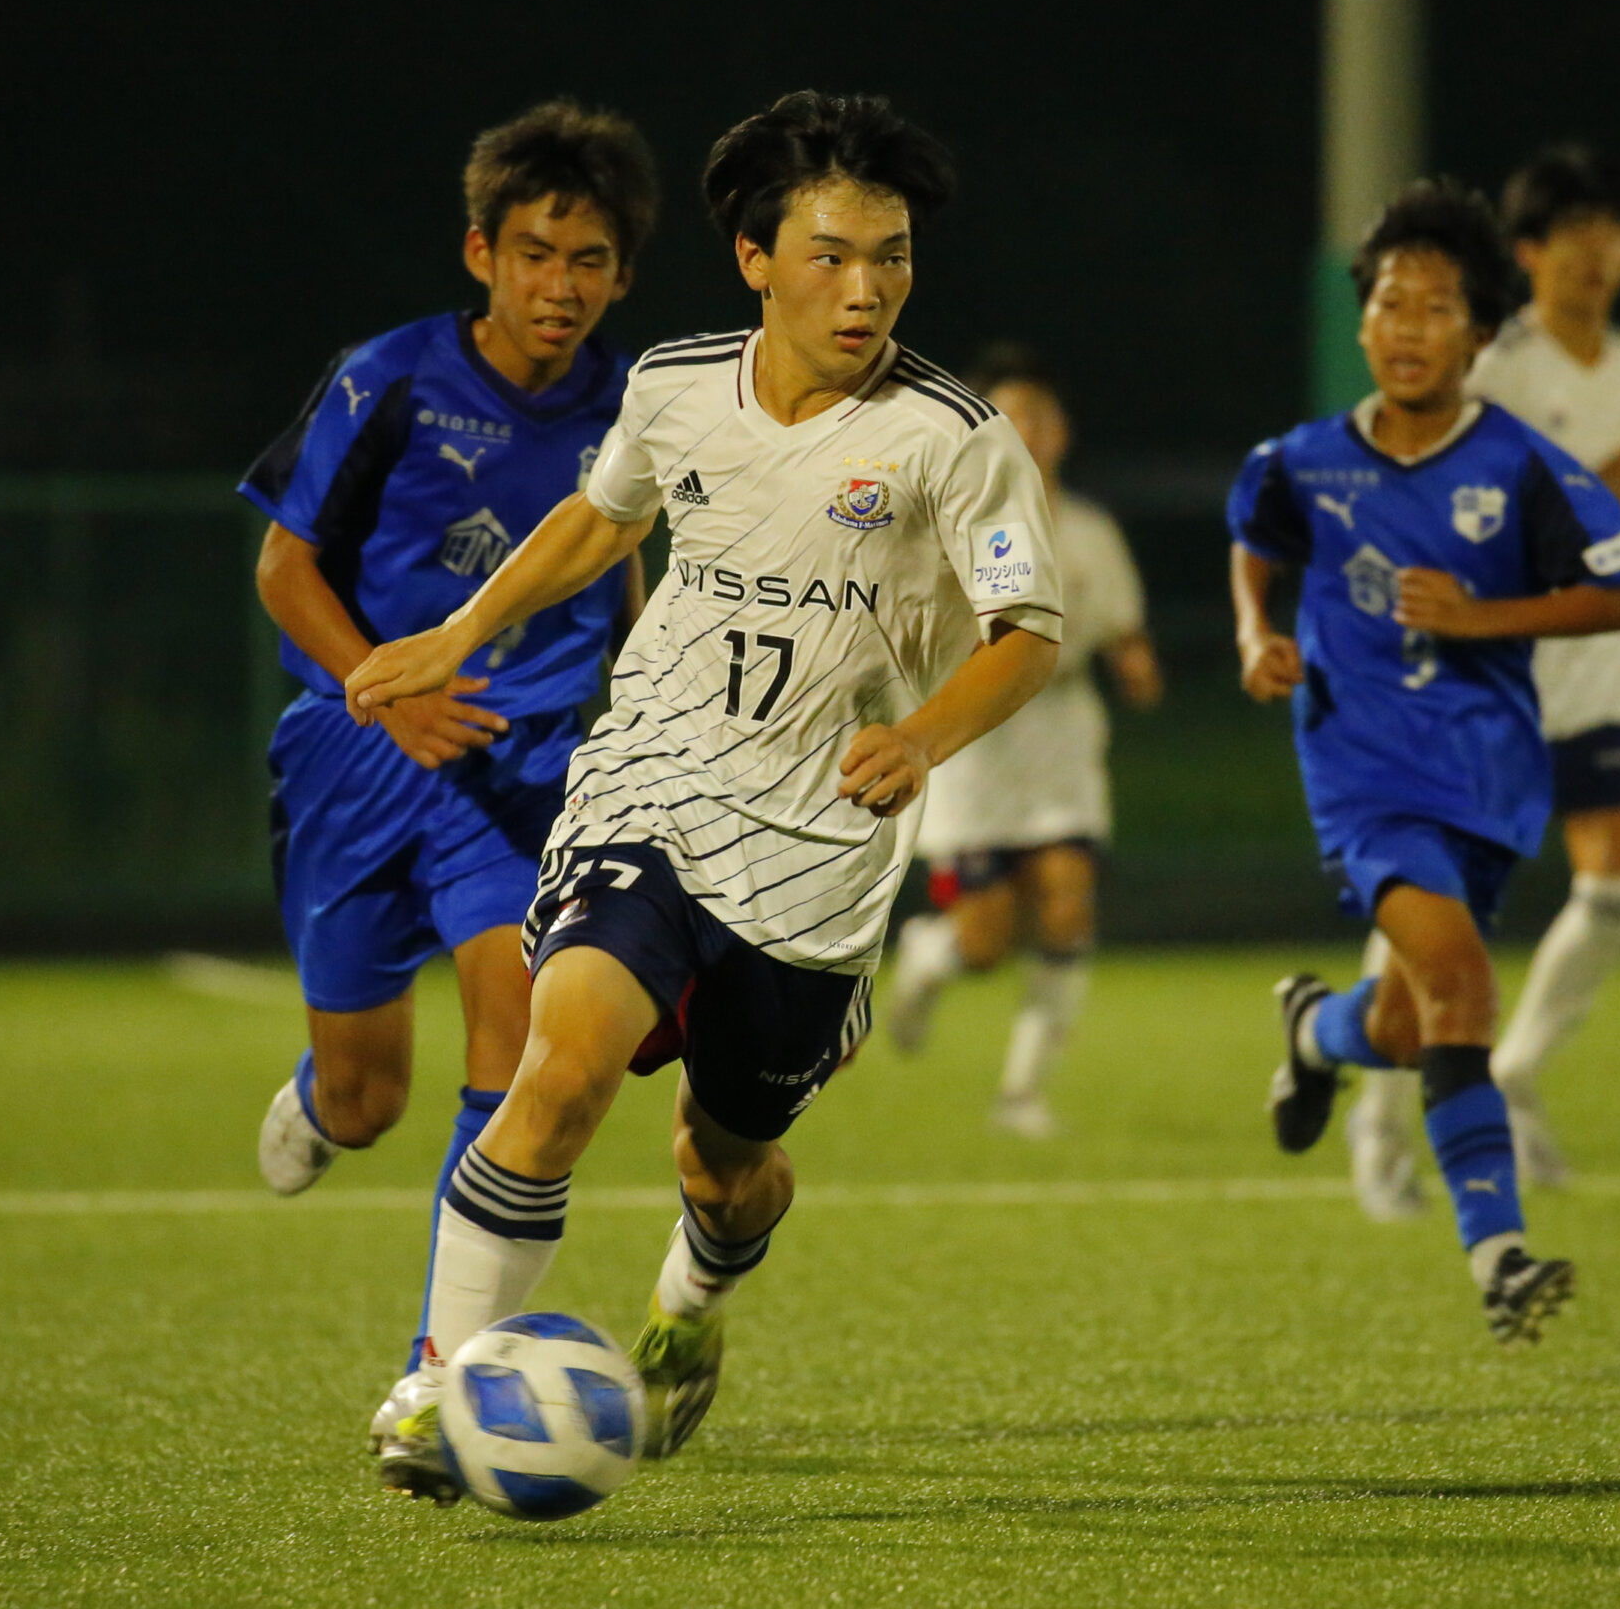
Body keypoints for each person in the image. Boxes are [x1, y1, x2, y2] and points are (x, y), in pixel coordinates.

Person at [345, 90, 1063, 1498]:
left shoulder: (955, 437)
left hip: (820, 858)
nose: (865, 290)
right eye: (832, 255)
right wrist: (459, 631)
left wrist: (919, 735)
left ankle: (690, 1295)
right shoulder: (674, 381)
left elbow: (1028, 632)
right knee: (560, 1072)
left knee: (729, 1162)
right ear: (754, 258)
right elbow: (605, 516)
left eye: (893, 257)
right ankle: (443, 1378)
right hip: (652, 785)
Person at [234, 101, 657, 1466]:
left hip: (527, 771)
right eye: (538, 252)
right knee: (369, 1101)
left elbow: (642, 591)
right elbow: (283, 570)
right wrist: (386, 683)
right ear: (484, 252)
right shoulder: (393, 378)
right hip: (357, 755)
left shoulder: (633, 411)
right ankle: (318, 1094)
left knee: (524, 1039)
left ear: (622, 277)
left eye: (591, 259)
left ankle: (440, 1374)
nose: (562, 285)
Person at [1225, 178, 1620, 1345]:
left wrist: (1480, 621)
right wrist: (1256, 637)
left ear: (1476, 334)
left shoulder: (1516, 462)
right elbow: (1253, 541)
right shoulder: (1303, 461)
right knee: (1462, 987)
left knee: (1412, 1025)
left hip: (1489, 777)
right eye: (1388, 305)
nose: (1406, 328)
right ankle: (1500, 1259)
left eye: (1434, 309)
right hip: (1363, 774)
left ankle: (1317, 1031)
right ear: (1360, 322)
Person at [1343, 145, 1620, 1216]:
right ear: (1531, 255)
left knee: (1617, 878)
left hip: (1588, 660)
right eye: (1577, 243)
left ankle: (1514, 1068)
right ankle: (1372, 1117)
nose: (1600, 262)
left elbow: (1615, 495)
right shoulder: (1495, 365)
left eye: (1614, 241)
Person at [880, 344, 1162, 1137]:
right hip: (973, 742)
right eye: (1011, 415)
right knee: (986, 935)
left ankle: (1021, 1092)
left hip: (1060, 739)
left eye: (1041, 415)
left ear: (1063, 430)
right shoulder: (947, 525)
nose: (1029, 431)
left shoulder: (1089, 531)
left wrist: (1138, 667)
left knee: (1068, 902)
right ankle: (930, 957)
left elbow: (1123, 628)